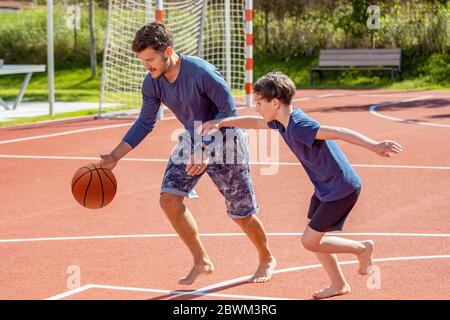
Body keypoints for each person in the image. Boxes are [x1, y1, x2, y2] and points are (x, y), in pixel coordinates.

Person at [98, 22, 276, 285]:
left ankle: (266, 258)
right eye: (143, 61)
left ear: (168, 51)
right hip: (194, 137)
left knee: (241, 213)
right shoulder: (153, 83)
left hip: (226, 138)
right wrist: (115, 156)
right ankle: (201, 260)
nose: (147, 66)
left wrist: (206, 150)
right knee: (169, 200)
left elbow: (228, 113)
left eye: (150, 60)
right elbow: (145, 122)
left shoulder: (201, 73)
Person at [199, 71, 403, 299]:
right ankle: (338, 284)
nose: (256, 108)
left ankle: (362, 249)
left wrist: (374, 145)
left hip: (340, 189)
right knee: (317, 240)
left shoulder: (299, 125)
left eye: (258, 103)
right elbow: (256, 123)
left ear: (274, 102)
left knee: (310, 241)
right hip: (325, 187)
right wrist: (223, 121)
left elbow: (339, 132)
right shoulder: (281, 120)